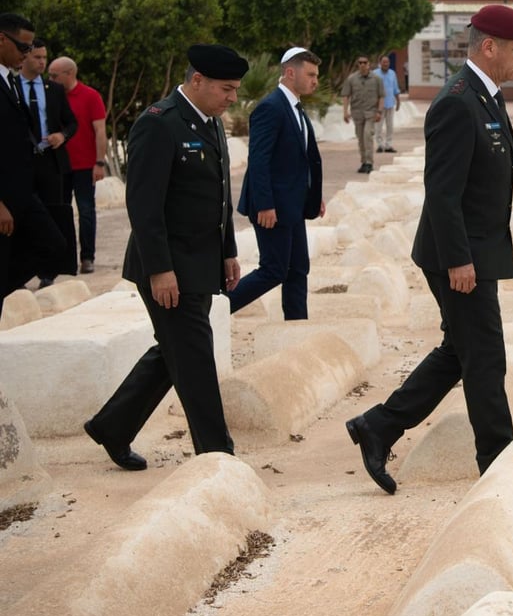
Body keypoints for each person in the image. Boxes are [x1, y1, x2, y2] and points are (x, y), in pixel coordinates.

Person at [345, 4, 513, 494]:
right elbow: (442, 192)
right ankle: (498, 463)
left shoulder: (486, 96)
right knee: (486, 356)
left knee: (461, 351)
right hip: (458, 256)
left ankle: (378, 426)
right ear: (488, 47)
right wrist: (459, 260)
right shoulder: (457, 101)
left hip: (475, 251)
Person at [84, 44, 247, 469]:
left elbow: (218, 196)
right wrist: (160, 270)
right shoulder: (159, 124)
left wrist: (228, 251)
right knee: (193, 357)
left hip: (201, 263)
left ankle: (112, 427)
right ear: (197, 80)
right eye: (226, 89)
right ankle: (217, 456)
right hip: (168, 267)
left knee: (175, 350)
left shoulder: (210, 122)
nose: (232, 98)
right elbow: (143, 206)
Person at [226, 47, 325, 320]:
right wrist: (265, 204)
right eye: (311, 74)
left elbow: (300, 160)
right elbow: (258, 161)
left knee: (298, 269)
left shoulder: (295, 107)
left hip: (293, 206)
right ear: (290, 72)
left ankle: (296, 329)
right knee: (273, 270)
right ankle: (215, 310)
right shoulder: (270, 108)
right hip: (272, 209)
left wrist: (313, 197)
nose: (315, 80)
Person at [1, 14, 65, 304]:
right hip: (4, 200)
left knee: (53, 245)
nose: (27, 55)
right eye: (23, 48)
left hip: (23, 193)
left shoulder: (9, 81)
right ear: (2, 39)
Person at [20, 39, 78, 287]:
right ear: (25, 57)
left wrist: (61, 136)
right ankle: (20, 270)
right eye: (37, 57)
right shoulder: (10, 86)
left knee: (53, 213)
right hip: (21, 163)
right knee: (21, 215)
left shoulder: (53, 89)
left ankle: (49, 271)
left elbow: (71, 123)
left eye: (45, 57)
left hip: (50, 161)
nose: (42, 62)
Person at [48, 56, 107, 275]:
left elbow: (100, 131)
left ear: (70, 74)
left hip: (84, 165)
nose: (51, 79)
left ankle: (87, 257)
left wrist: (99, 162)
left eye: (55, 75)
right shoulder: (52, 96)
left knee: (86, 211)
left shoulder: (90, 96)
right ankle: (64, 259)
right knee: (61, 212)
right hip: (59, 165)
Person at [341, 55, 384, 173]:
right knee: (360, 139)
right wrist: (345, 112)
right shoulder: (352, 79)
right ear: (358, 65)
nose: (362, 65)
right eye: (360, 63)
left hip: (371, 113)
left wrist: (379, 112)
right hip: (357, 113)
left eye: (365, 62)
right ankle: (364, 162)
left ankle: (369, 162)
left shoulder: (376, 79)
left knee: (367, 136)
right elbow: (346, 95)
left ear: (369, 64)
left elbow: (381, 96)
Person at [373, 53, 401, 154]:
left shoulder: (392, 73)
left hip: (390, 104)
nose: (386, 63)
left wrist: (398, 101)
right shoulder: (375, 74)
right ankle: (380, 145)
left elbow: (395, 89)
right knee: (378, 127)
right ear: (380, 63)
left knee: (390, 126)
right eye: (384, 62)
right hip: (378, 106)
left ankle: (388, 145)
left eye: (387, 62)